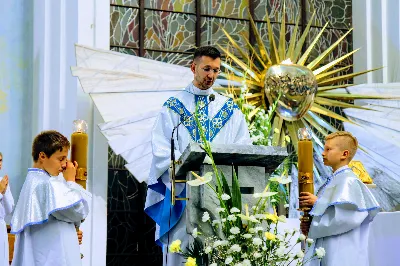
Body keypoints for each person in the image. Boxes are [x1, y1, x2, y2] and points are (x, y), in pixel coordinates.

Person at [144, 46, 252, 265]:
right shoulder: (174, 107)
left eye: (216, 70)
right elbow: (161, 149)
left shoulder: (229, 109)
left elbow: (244, 149)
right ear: (193, 67)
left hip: (219, 198)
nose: (211, 75)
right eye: (206, 69)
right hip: (184, 195)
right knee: (182, 253)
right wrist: (179, 174)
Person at [10, 130, 91, 266]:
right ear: (42, 156)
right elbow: (79, 211)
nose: (65, 164)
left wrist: (71, 233)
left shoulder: (35, 181)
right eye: (61, 159)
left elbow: (55, 224)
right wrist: (71, 181)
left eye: (66, 158)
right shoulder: (47, 184)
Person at [299, 131, 380, 266]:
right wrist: (311, 222)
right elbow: (329, 215)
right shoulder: (333, 180)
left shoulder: (349, 181)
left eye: (328, 149)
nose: (323, 153)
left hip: (342, 249)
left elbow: (345, 218)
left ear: (345, 154)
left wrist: (317, 203)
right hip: (329, 246)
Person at [0, 152, 14, 266]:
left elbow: (9, 209)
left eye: (0, 160)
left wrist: (4, 193)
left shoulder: (3, 181)